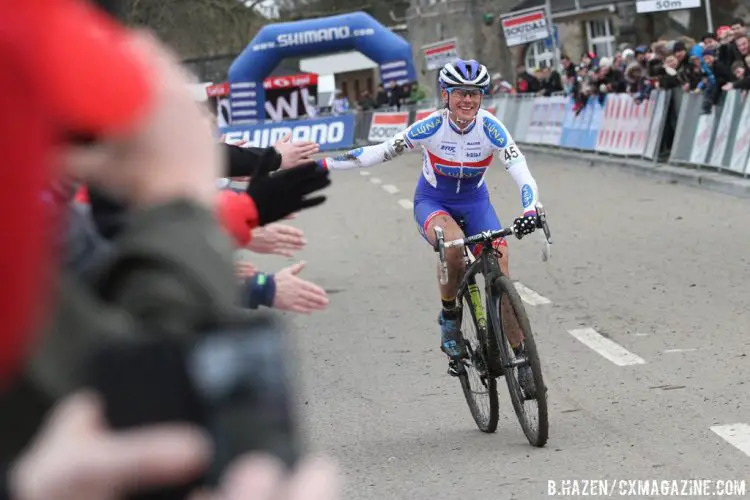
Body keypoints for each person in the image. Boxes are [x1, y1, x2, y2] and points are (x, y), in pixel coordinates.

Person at [316, 59, 541, 392]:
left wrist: (531, 207)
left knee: (501, 267)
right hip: (434, 203)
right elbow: (378, 152)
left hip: (476, 203)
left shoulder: (492, 128)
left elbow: (519, 169)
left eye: (475, 94)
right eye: (460, 93)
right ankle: (450, 318)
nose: (468, 100)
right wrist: (323, 164)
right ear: (445, 95)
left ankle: (521, 355)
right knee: (453, 250)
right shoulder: (430, 127)